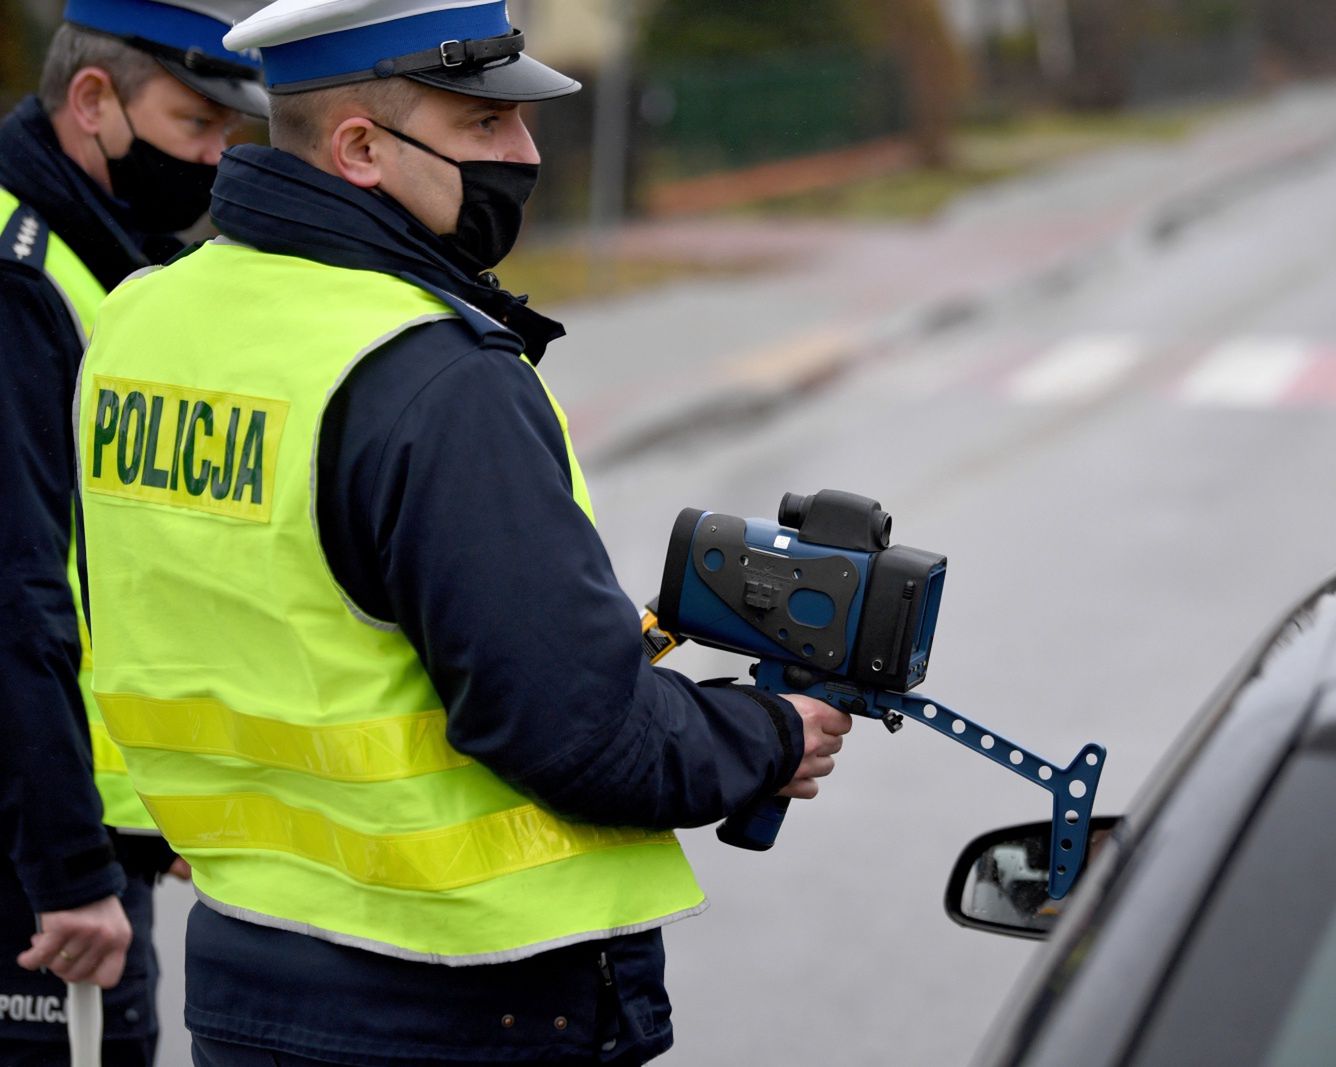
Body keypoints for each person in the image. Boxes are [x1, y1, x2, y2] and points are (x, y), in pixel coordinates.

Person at [74, 1, 853, 1063]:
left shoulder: (140, 321)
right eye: (485, 127)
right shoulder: (432, 371)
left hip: (249, 969)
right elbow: (575, 731)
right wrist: (767, 737)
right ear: (359, 148)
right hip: (465, 1000)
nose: (525, 154)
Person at [0, 1, 265, 1063]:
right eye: (195, 124)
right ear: (93, 100)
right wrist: (67, 870)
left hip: (78, 813)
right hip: (34, 845)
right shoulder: (23, 276)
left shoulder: (100, 253)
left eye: (228, 135)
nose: (212, 159)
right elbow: (18, 586)